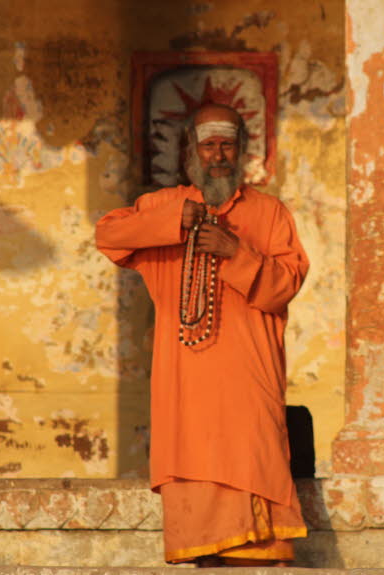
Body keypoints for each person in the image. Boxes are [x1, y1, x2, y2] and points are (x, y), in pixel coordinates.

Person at [95, 103, 309, 566]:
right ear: (190, 151)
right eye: (209, 145)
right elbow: (107, 235)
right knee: (197, 503)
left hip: (248, 387)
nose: (218, 156)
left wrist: (237, 252)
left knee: (256, 508)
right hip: (185, 390)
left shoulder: (269, 214)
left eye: (227, 146)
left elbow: (285, 286)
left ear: (242, 151)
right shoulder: (165, 207)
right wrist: (173, 223)